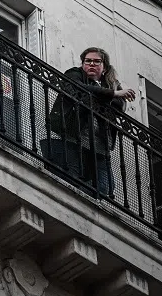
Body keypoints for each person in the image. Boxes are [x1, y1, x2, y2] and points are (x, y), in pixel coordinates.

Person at [42, 48, 136, 197]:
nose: (91, 64)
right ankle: (72, 202)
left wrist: (109, 92)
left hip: (100, 143)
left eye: (97, 61)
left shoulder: (110, 84)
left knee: (106, 187)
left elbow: (120, 106)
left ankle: (81, 202)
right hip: (75, 136)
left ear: (104, 67)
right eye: (88, 61)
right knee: (71, 176)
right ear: (83, 63)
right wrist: (112, 94)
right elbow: (76, 86)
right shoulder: (75, 73)